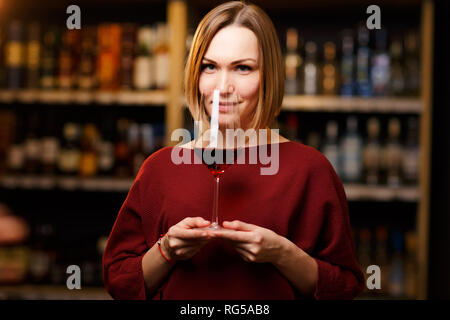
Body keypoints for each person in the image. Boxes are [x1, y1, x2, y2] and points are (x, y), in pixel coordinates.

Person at [103, 1, 364, 300]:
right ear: (195, 75)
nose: (223, 86)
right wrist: (166, 250)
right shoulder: (159, 168)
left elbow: (343, 289)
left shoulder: (310, 169)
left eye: (242, 68)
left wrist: (282, 253)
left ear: (268, 77)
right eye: (210, 67)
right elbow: (120, 283)